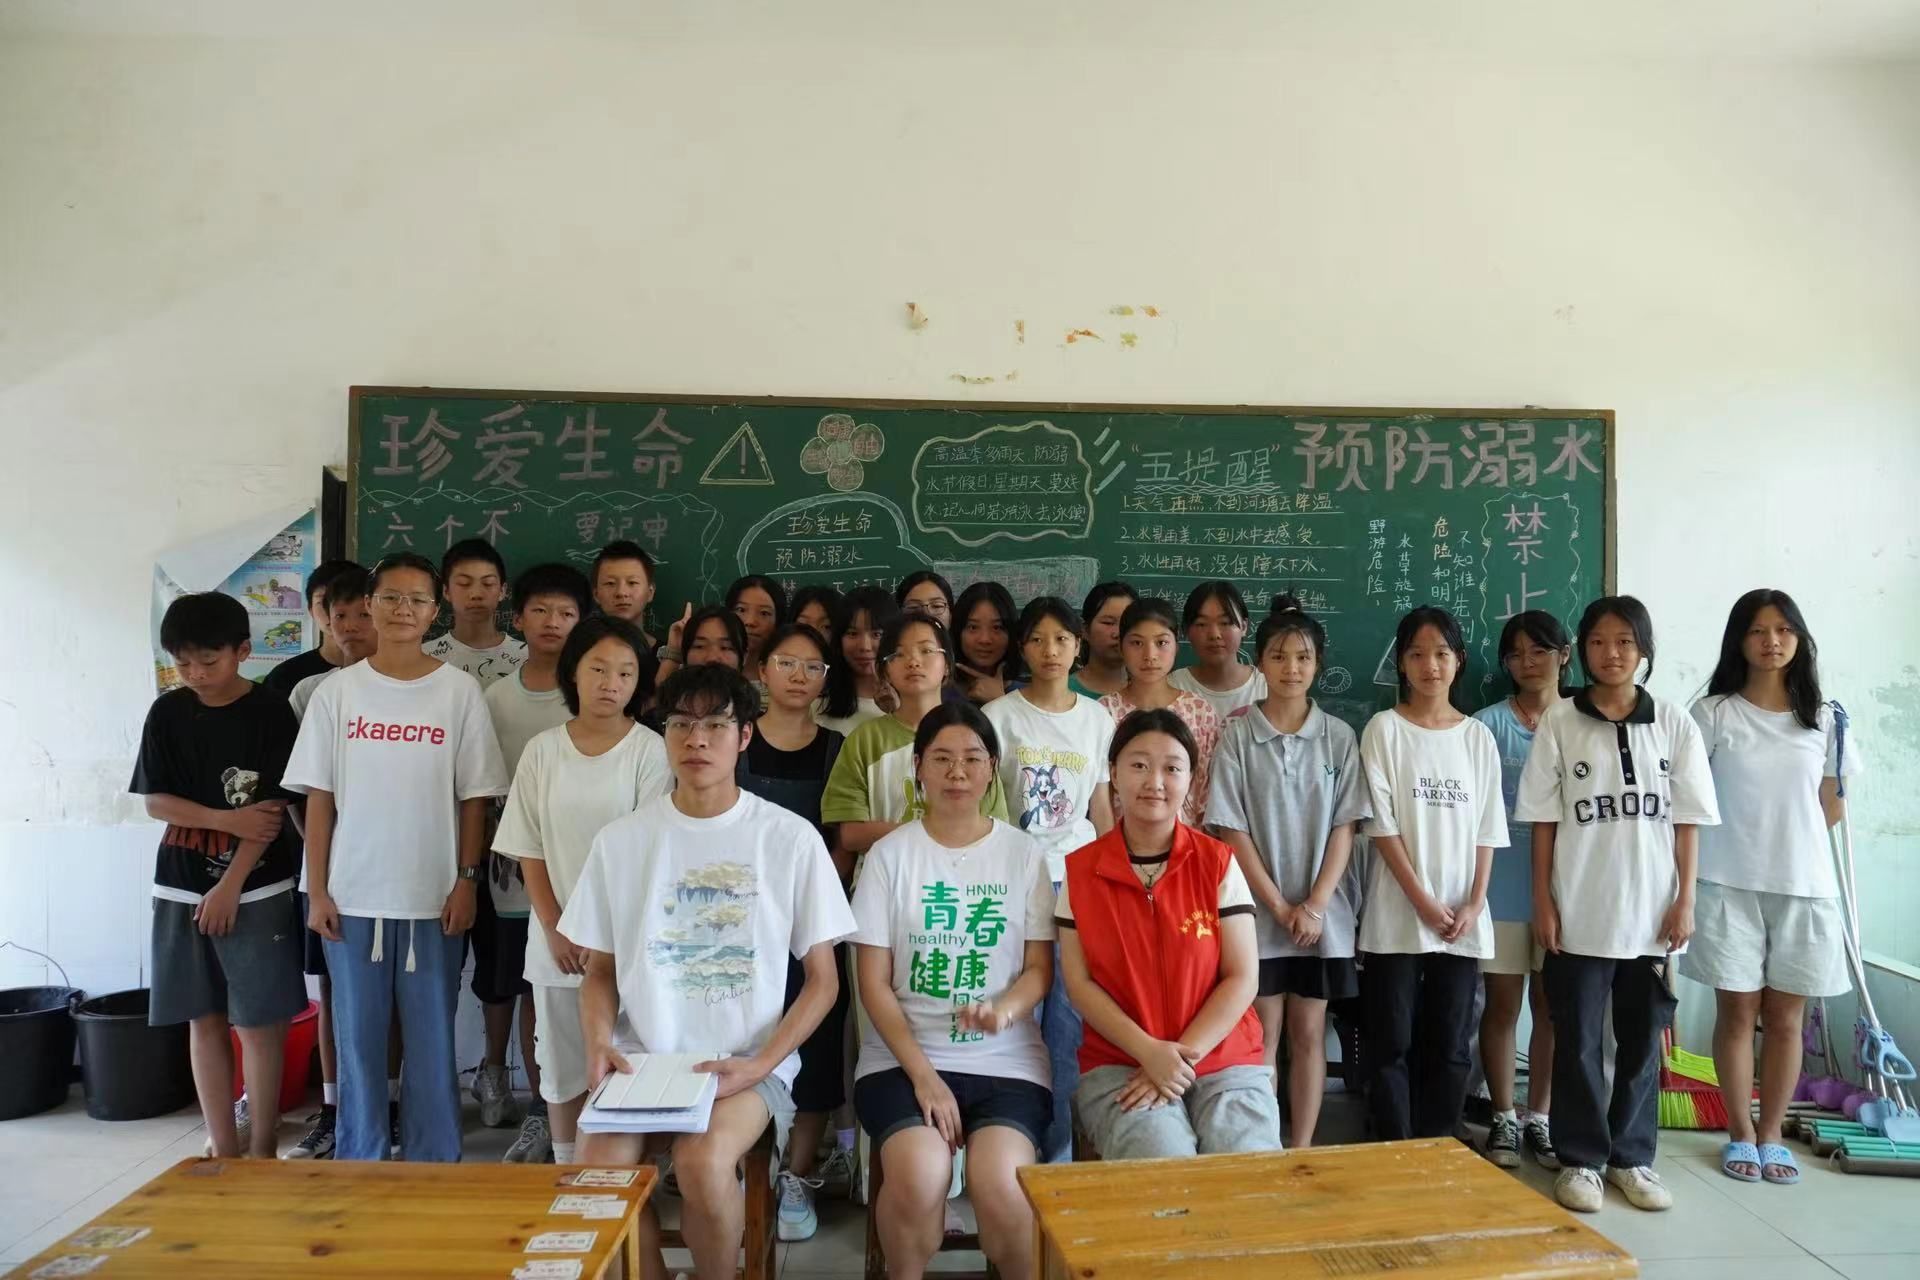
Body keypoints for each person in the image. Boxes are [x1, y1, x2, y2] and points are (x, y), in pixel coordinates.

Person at [561, 664, 854, 1280]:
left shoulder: (789, 838)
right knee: (599, 1176)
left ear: (745, 735)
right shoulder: (622, 841)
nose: (697, 739)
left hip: (743, 1062)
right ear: (663, 733)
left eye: (716, 725)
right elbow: (600, 971)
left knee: (701, 1164)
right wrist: (598, 1043)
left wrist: (763, 1063)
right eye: (681, 724)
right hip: (642, 1059)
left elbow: (824, 981)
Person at [285, 551, 510, 1163]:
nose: (403, 609)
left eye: (417, 600)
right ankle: (360, 1157)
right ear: (369, 606)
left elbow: (475, 798)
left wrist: (466, 880)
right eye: (390, 598)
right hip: (352, 896)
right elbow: (319, 799)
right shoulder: (336, 694)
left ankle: (435, 1158)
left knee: (432, 1039)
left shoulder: (459, 692)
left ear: (434, 612)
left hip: (433, 897)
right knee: (358, 1040)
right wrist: (318, 890)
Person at [1518, 595, 1719, 1214]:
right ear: (1581, 650)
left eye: (1625, 642)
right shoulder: (1561, 721)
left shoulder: (1674, 723)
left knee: (1639, 1043)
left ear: (1644, 650)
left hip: (1652, 916)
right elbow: (1543, 822)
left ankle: (1632, 1159)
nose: (1612, 653)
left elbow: (1688, 822)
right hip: (1580, 911)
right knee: (1578, 1041)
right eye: (1600, 642)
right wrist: (1543, 902)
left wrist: (1685, 899)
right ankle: (1581, 1160)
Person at [853, 703, 1055, 1280]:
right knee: (919, 1176)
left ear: (992, 767)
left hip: (1006, 1061)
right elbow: (873, 982)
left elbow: (1039, 969)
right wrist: (924, 1076)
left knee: (1003, 1186)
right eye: (941, 758)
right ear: (918, 767)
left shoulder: (1023, 855)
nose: (957, 771)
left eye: (972, 758)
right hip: (902, 1061)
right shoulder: (890, 856)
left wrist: (1003, 1011)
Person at [131, 592, 306, 1160]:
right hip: (179, 883)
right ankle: (225, 1148)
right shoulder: (167, 713)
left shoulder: (271, 712)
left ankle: (262, 1147)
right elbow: (156, 802)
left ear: (243, 652)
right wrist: (224, 819)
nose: (196, 673)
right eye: (183, 663)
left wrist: (230, 885)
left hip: (256, 887)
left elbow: (271, 814)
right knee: (202, 1018)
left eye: (208, 660)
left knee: (258, 1023)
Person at [1058, 709, 1279, 1159]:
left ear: (1192, 779)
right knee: (1163, 1161)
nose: (1154, 782)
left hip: (1224, 1058)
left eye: (1172, 768)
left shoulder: (1217, 862)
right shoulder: (1080, 872)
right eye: (1139, 765)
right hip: (1121, 1063)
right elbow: (1079, 985)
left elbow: (1242, 977)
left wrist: (1177, 1059)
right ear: (1113, 773)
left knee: (1247, 1162)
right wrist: (1148, 1053)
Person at [493, 617, 671, 1169]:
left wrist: (605, 940)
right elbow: (529, 847)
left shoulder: (651, 751)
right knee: (561, 1063)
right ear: (574, 672)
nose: (610, 683)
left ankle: (631, 1178)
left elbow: (646, 854)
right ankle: (570, 1170)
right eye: (598, 669)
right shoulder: (543, 751)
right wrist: (556, 928)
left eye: (625, 672)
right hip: (557, 938)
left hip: (626, 941)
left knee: (631, 1059)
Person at [1686, 590, 1848, 1188]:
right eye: (1758, 630)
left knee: (1786, 1019)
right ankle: (1740, 1132)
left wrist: (1786, 841)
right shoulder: (1713, 713)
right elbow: (1689, 799)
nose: (1771, 641)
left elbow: (1832, 805)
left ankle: (1772, 1134)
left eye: (1783, 630)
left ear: (1799, 638)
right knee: (1737, 1012)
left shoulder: (1825, 719)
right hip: (1726, 883)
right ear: (1739, 640)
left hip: (1803, 886)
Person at [1204, 594, 1367, 1148]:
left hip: (1322, 920)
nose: (1291, 668)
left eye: (1302, 657)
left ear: (1318, 664)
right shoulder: (1237, 735)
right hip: (1258, 916)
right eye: (1278, 656)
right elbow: (1231, 829)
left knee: (1310, 1032)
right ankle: (1264, 1148)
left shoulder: (1339, 737)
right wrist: (1278, 907)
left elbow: (1346, 825)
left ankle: (1301, 1150)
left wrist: (1314, 906)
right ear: (1259, 663)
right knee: (1264, 1032)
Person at [1357, 606, 1505, 1144]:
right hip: (1397, 913)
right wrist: (1421, 899)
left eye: (1441, 653)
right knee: (1390, 1039)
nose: (1430, 665)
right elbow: (1381, 824)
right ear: (1401, 663)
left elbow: (1489, 828)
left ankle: (1440, 1142)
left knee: (1450, 1041)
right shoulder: (1384, 730)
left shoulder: (1476, 737)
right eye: (1417, 654)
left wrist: (1475, 903)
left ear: (1458, 660)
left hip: (1461, 916)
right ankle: (1393, 1144)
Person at [982, 596, 1115, 1162]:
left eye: (1061, 638)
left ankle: (1056, 1152)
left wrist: (1112, 877)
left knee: (1067, 1019)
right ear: (1022, 648)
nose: (1050, 650)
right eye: (1037, 639)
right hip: (1014, 881)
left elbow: (1101, 807)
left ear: (1078, 646)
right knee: (1016, 1015)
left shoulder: (1097, 718)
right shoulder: (998, 716)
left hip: (1077, 882)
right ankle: (1008, 1143)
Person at [735, 622, 852, 1242]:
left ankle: (797, 1175)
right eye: (787, 663)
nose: (799, 676)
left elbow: (843, 843)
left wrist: (800, 906)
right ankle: (740, 1170)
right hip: (739, 923)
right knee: (741, 1039)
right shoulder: (736, 741)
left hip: (812, 923)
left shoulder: (838, 748)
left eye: (813, 667)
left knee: (817, 1047)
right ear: (763, 670)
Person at [476, 563, 592, 1162]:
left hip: (580, 873)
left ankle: (572, 1120)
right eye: (540, 610)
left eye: (566, 612)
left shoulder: (593, 695)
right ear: (517, 618)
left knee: (569, 991)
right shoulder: (495, 697)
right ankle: (538, 1111)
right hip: (512, 870)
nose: (553, 622)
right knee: (530, 987)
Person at [284, 566, 378, 1160]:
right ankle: (335, 1109)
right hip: (325, 872)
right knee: (332, 991)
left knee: (387, 997)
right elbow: (301, 793)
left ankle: (385, 1106)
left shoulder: (424, 687)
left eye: (364, 613)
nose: (351, 626)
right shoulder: (308, 692)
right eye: (339, 614)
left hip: (391, 870)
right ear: (322, 616)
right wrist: (320, 864)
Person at [1471, 610, 1571, 1171]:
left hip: (1568, 891)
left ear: (1564, 654)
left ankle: (1542, 1117)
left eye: (1540, 650)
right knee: (1503, 1005)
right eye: (1516, 653)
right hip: (1502, 889)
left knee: (1552, 1010)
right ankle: (1504, 1116)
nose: (1528, 662)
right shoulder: (1485, 725)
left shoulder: (1584, 720)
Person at [824, 613, 1010, 858]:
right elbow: (851, 835)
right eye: (899, 654)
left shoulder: (973, 737)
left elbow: (995, 828)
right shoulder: (865, 740)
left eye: (926, 651)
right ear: (884, 671)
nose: (913, 661)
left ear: (947, 665)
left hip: (961, 876)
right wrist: (935, 832)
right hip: (886, 876)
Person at [1097, 598, 1220, 826]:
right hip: (1120, 840)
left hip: (1187, 840)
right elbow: (1100, 796)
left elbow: (1207, 792)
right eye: (1137, 643)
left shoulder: (1199, 711)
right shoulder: (1102, 712)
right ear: (1121, 647)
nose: (1150, 655)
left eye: (1161, 642)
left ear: (1176, 646)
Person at [423, 539, 526, 685]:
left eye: (488, 583)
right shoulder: (424, 657)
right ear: (446, 591)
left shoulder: (529, 658)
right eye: (464, 584)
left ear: (502, 591)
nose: (476, 594)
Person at [1168, 581, 1266, 721]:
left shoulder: (1267, 687)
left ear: (1244, 627)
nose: (1214, 634)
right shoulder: (1172, 686)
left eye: (1225, 623)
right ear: (1186, 630)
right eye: (1202, 624)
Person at [263, 558, 360, 694]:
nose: (333, 611)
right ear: (311, 610)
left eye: (345, 600)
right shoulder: (284, 678)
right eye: (323, 602)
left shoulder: (386, 671)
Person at [816, 585, 901, 738]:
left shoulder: (914, 699)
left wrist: (898, 714)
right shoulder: (817, 702)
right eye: (852, 633)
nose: (864, 646)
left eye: (877, 634)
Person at [953, 581, 1021, 705]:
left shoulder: (1029, 695)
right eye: (973, 627)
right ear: (958, 631)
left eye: (997, 627)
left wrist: (999, 701)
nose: (985, 639)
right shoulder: (937, 692)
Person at [1069, 581, 1135, 699]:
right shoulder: (1062, 691)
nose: (1118, 633)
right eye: (1108, 623)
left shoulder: (1149, 691)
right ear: (1085, 630)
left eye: (1126, 623)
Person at [727, 573, 788, 687]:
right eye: (741, 610)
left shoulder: (788, 678)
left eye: (764, 613)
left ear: (778, 622)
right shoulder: (714, 671)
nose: (750, 621)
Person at [591, 539, 657, 642]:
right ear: (596, 594)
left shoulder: (669, 650)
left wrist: (671, 651)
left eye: (632, 582)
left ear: (650, 592)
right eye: (610, 583)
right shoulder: (581, 650)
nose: (621, 592)